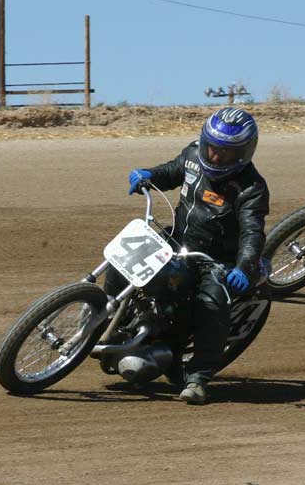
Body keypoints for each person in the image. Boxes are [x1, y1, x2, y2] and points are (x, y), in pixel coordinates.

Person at [106, 107, 269, 404]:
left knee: (212, 303)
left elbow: (252, 233)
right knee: (125, 255)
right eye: (212, 148)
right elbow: (172, 171)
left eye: (226, 153)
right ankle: (107, 313)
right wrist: (149, 174)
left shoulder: (252, 188)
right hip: (176, 239)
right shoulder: (193, 155)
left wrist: (244, 268)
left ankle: (198, 378)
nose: (215, 157)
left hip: (214, 260)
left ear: (244, 152)